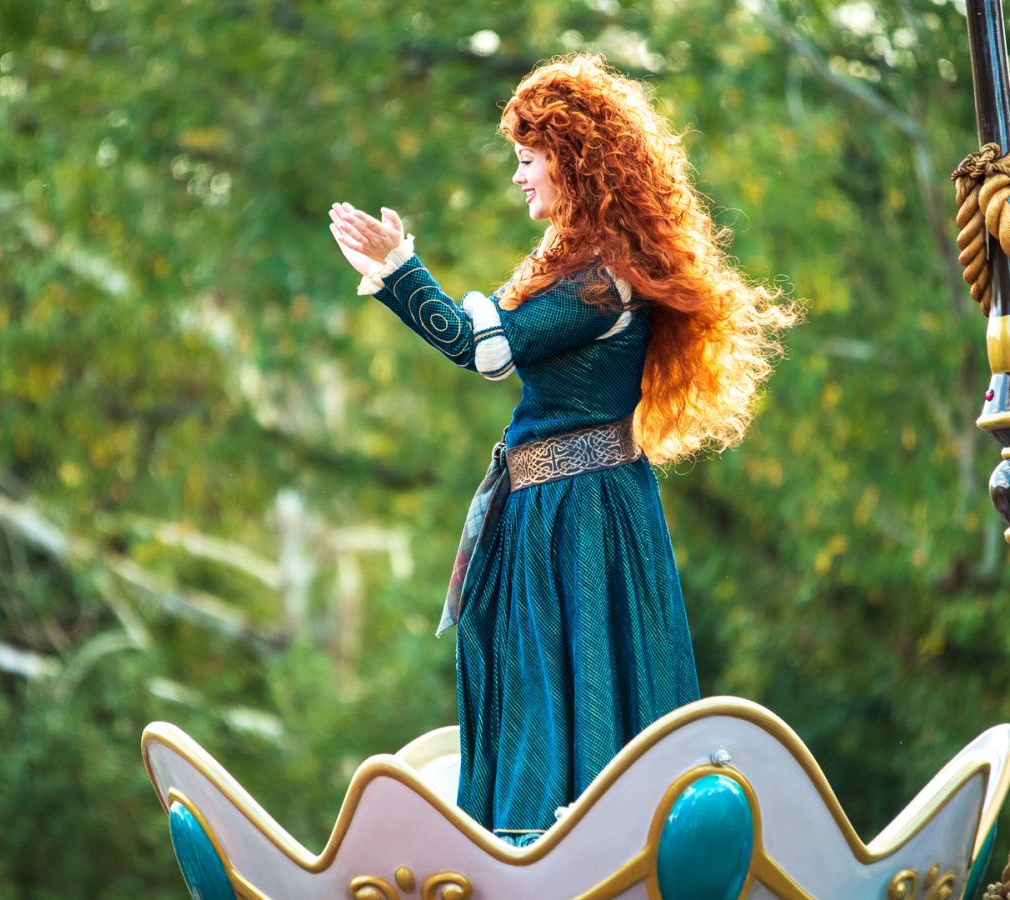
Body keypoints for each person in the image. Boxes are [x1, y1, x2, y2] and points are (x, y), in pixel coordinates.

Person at [329, 54, 795, 846]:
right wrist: (395, 278)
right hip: (548, 510)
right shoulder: (574, 262)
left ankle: (557, 855)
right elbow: (488, 346)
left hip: (581, 519)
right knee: (534, 685)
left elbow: (485, 350)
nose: (518, 177)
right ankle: (526, 847)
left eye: (526, 157)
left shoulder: (604, 278)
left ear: (571, 157)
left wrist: (401, 270)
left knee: (570, 692)